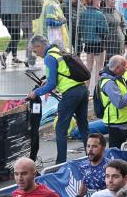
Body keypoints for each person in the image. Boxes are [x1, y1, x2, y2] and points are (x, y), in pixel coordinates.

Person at [29, 34, 90, 165]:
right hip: (82, 89)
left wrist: (36, 92)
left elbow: (52, 84)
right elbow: (63, 72)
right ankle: (91, 157)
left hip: (70, 94)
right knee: (84, 127)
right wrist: (47, 80)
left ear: (40, 46)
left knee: (60, 130)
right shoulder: (58, 50)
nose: (36, 54)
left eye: (35, 50)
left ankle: (60, 163)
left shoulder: (49, 58)